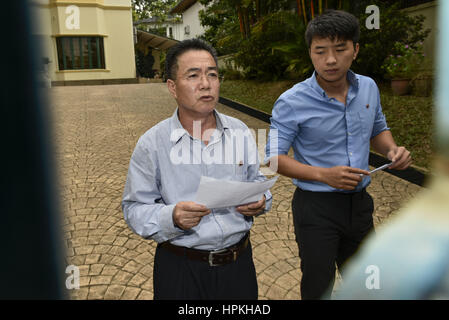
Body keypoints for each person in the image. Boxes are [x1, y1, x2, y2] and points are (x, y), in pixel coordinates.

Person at [265, 10, 412, 300]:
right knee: (319, 286)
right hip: (315, 208)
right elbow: (272, 158)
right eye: (320, 51)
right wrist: (324, 174)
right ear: (310, 53)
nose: (330, 60)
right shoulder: (292, 101)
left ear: (355, 50)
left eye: (340, 49)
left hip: (360, 206)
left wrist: (392, 150)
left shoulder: (368, 88)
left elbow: (377, 128)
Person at [122, 39, 272, 300]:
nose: (206, 84)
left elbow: (258, 180)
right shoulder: (152, 143)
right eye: (193, 75)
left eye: (212, 74)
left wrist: (261, 200)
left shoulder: (240, 132)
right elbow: (134, 208)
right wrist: (172, 217)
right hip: (181, 269)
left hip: (238, 266)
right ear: (172, 87)